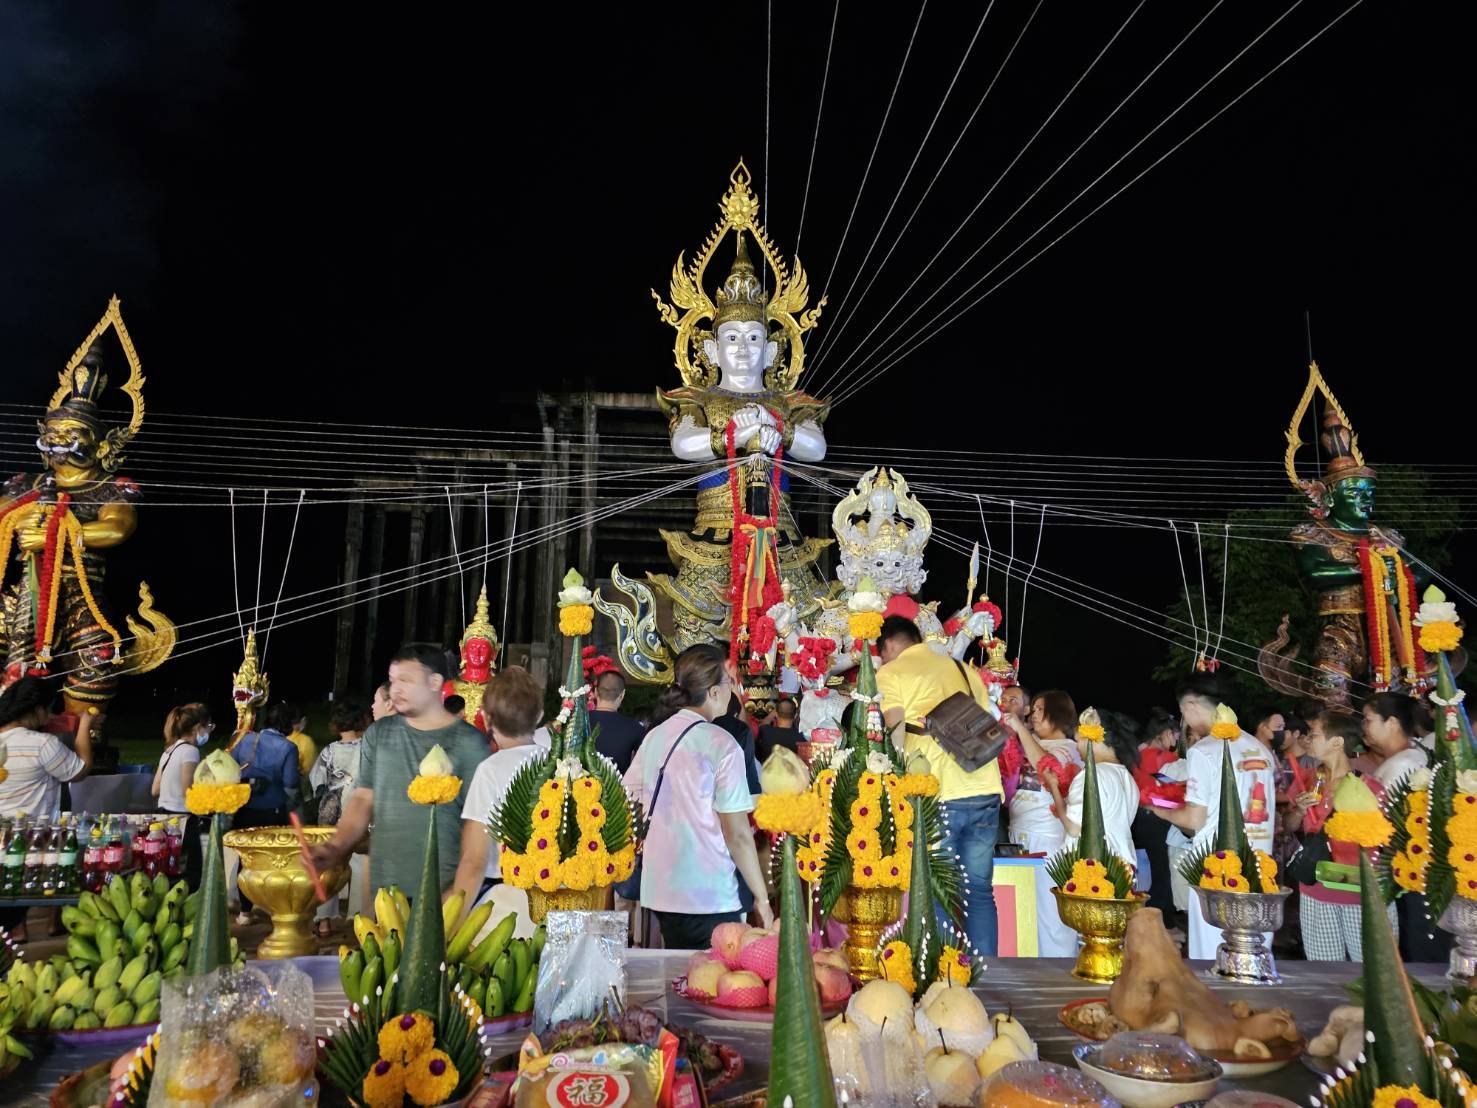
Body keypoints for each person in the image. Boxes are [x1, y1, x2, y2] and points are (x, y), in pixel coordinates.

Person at [623, 643, 772, 949]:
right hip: (711, 892)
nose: (732, 690)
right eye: (729, 682)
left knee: (677, 979)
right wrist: (762, 897)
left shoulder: (654, 736)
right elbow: (738, 834)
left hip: (662, 888)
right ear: (714, 693)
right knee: (716, 984)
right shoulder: (721, 743)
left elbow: (628, 797)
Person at [311, 645, 489, 897]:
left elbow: (477, 828)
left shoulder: (470, 743)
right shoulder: (378, 734)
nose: (396, 689)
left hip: (443, 890)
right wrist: (336, 846)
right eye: (393, 680)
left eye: (406, 680)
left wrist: (460, 896)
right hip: (385, 888)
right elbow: (363, 798)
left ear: (434, 682)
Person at [877, 615, 1003, 956]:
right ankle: (988, 976)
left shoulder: (891, 672)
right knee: (978, 890)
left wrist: (895, 779)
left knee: (937, 889)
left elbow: (896, 730)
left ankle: (944, 979)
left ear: (888, 647)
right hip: (984, 788)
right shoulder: (962, 668)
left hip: (938, 791)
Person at [1154, 676, 1277, 960]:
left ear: (1193, 705)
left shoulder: (1205, 750)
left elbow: (1195, 819)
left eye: (1184, 711)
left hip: (1218, 874)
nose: (1185, 719)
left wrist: (1159, 809)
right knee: (1253, 959)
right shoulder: (1259, 748)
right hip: (1260, 870)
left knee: (1214, 960)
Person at [1287, 710, 1398, 960]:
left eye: (1314, 735)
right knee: (1324, 972)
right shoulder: (1306, 780)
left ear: (1336, 742)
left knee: (1373, 969)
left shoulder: (1369, 787)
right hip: (1317, 890)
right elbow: (1291, 825)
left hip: (1362, 893)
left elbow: (1386, 840)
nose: (1307, 740)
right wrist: (1299, 810)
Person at [0, 677, 93, 939]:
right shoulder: (42, 745)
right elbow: (80, 769)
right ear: (38, 709)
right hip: (28, 844)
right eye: (50, 709)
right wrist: (84, 726)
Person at [1364, 692, 1450, 963]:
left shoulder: (1404, 764)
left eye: (1368, 719)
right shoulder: (1417, 754)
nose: (1363, 727)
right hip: (1415, 875)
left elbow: (1380, 824)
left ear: (1391, 722)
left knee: (1418, 954)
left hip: (1412, 876)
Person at [451, 667, 547, 907]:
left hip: (503, 899)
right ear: (539, 716)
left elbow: (474, 859)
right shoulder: (561, 765)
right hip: (553, 894)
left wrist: (453, 921)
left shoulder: (491, 770)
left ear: (486, 718)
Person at [230, 701, 304, 922]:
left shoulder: (243, 738)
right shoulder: (288, 748)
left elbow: (230, 772)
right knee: (274, 862)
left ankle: (244, 912)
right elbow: (291, 785)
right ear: (289, 724)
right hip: (272, 811)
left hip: (244, 809)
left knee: (246, 860)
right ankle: (274, 910)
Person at [310, 697, 370, 936]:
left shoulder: (329, 751)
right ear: (361, 721)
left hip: (331, 813)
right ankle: (359, 920)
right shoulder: (367, 747)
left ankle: (323, 921)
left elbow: (317, 782)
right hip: (360, 813)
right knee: (359, 865)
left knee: (329, 867)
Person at [1003, 691, 1082, 857]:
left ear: (1059, 713)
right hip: (1015, 831)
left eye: (1040, 709)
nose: (1034, 715)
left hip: (1047, 836)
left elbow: (1047, 765)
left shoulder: (1070, 748)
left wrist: (1020, 728)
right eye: (1033, 710)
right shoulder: (1030, 740)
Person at [1062, 710, 1141, 867]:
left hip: (1092, 872)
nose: (1077, 747)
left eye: (1078, 740)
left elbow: (1074, 828)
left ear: (1092, 738)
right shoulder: (1127, 777)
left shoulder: (1091, 775)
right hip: (1122, 867)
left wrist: (1054, 790)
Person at [152, 703, 212, 889]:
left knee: (167, 870)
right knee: (192, 872)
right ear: (197, 728)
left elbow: (155, 789)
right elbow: (189, 790)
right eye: (208, 727)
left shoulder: (169, 751)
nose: (209, 732)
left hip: (163, 817)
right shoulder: (190, 751)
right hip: (182, 820)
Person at [1131, 708, 1182, 922]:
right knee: (1162, 869)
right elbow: (1179, 786)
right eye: (1175, 735)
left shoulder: (1136, 755)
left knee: (1145, 868)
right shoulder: (1166, 758)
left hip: (1137, 819)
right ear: (1165, 733)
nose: (1176, 739)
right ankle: (1164, 916)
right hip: (1159, 818)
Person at [1364, 692, 1427, 790]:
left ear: (1392, 723)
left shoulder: (1401, 765)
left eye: (1368, 720)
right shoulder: (1406, 758)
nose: (1365, 727)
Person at [589, 670, 645, 774]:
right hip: (619, 788)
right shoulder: (635, 728)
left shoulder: (579, 722)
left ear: (595, 692)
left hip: (578, 788)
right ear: (622, 694)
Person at [755, 697, 799, 763]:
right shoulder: (800, 738)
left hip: (767, 772)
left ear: (776, 714)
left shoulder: (766, 732)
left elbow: (763, 723)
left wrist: (774, 712)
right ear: (795, 715)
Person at [280, 705, 317, 777]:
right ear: (303, 720)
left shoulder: (273, 736)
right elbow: (308, 768)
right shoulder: (306, 741)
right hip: (293, 782)